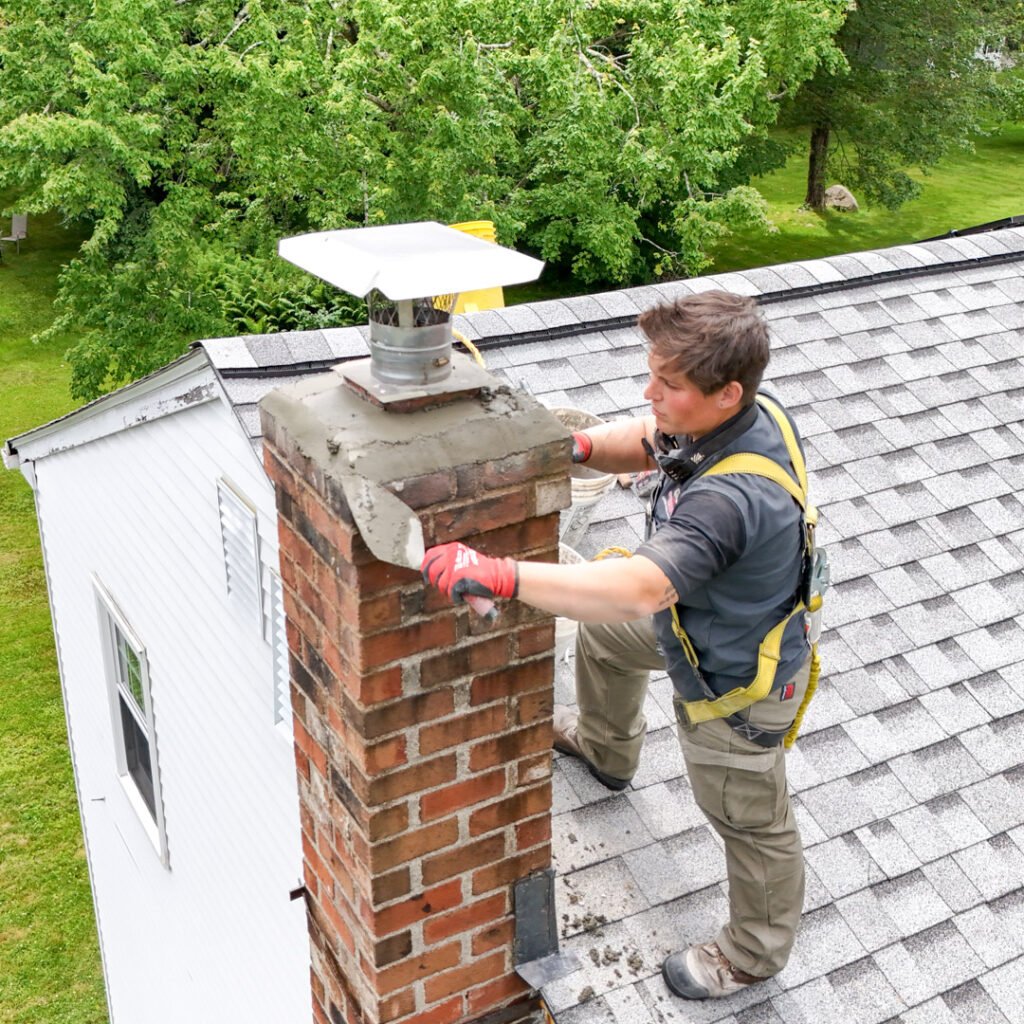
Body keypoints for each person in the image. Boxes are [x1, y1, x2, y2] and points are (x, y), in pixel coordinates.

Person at [421, 291, 813, 1000]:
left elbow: (637, 589)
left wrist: (497, 574)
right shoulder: (738, 415)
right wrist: (577, 448)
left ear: (726, 393)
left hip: (734, 682)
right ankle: (606, 745)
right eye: (652, 373)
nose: (649, 392)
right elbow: (650, 438)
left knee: (747, 819)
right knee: (605, 643)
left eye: (668, 384)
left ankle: (753, 953)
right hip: (692, 624)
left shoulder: (733, 501)